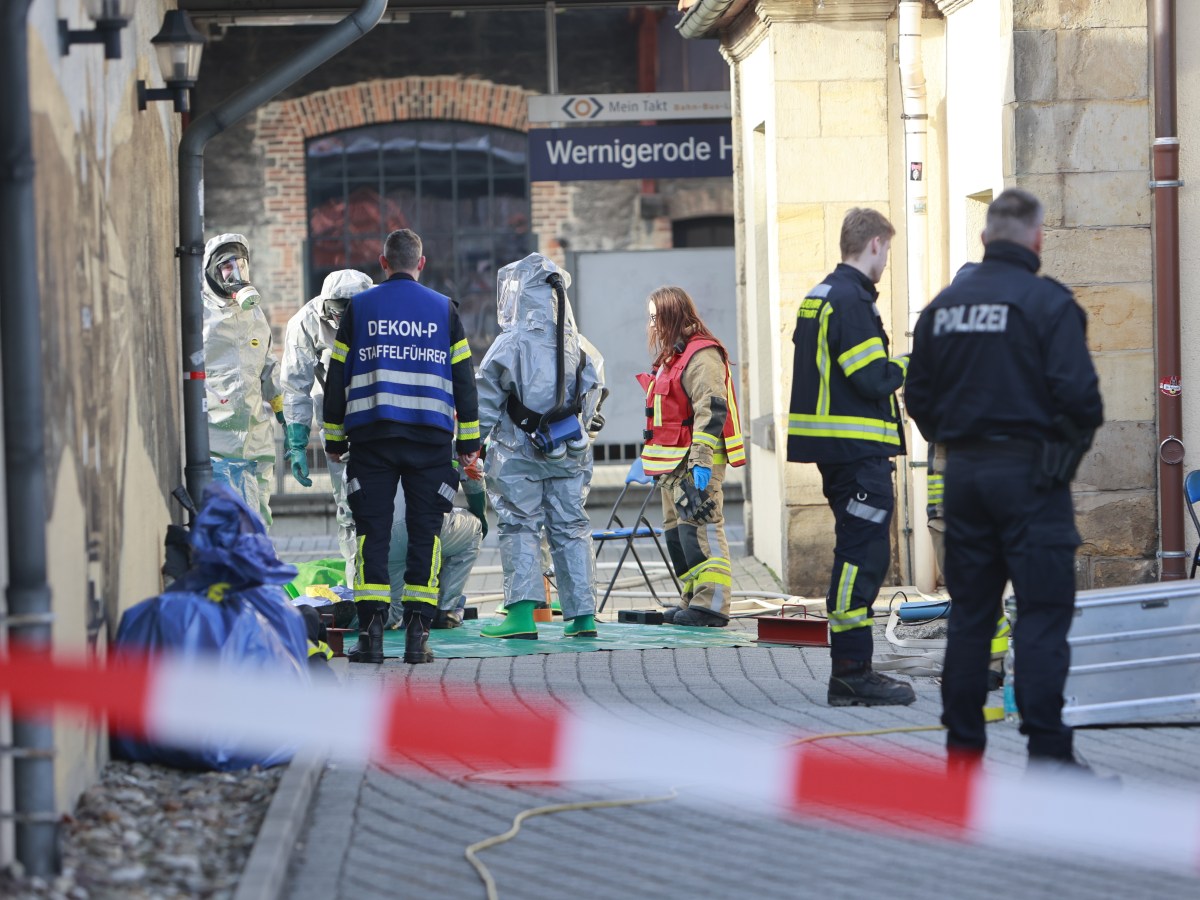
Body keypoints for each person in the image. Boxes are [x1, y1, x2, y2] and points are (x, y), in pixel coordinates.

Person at [905, 188, 1103, 769]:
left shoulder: (943, 309)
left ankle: (962, 760)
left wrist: (956, 439)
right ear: (1037, 239)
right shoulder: (1048, 304)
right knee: (1042, 615)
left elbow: (918, 396)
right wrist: (1057, 460)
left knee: (971, 616)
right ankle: (1048, 757)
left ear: (987, 237)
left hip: (963, 476)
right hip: (1032, 480)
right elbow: (1082, 401)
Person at [323, 229, 481, 665]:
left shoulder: (359, 308)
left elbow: (338, 376)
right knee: (425, 535)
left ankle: (371, 638)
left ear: (383, 262)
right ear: (422, 263)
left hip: (371, 437)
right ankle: (417, 637)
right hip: (430, 441)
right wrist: (469, 442)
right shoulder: (444, 310)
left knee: (371, 533)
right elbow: (465, 380)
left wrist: (333, 437)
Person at [786, 208, 915, 707]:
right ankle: (851, 671)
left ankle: (853, 668)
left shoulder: (820, 295)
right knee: (862, 558)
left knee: (859, 554)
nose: (887, 262)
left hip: (838, 452)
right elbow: (872, 378)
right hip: (857, 453)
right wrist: (912, 358)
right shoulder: (852, 300)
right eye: (889, 251)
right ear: (877, 244)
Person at [476, 253, 603, 640]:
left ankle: (521, 616)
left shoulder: (508, 344)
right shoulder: (580, 346)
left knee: (519, 527)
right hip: (569, 451)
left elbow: (483, 403)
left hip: (517, 453)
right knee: (571, 526)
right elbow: (593, 398)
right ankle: (582, 617)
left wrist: (466, 445)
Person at [638, 287, 745, 627]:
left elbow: (711, 407)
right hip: (674, 466)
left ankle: (712, 605)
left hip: (697, 462)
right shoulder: (674, 357)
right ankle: (693, 598)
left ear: (671, 316)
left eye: (656, 317)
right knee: (679, 534)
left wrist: (700, 460)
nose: (651, 324)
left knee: (702, 528)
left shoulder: (702, 356)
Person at [280, 269, 375, 589]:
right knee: (350, 507)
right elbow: (295, 385)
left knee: (394, 509)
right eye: (337, 313)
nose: (341, 322)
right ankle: (358, 588)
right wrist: (297, 440)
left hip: (384, 417)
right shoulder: (305, 323)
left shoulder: (382, 310)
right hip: (338, 425)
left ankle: (396, 592)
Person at [201, 233, 283, 525]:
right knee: (226, 521)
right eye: (227, 265)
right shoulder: (198, 313)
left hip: (254, 434)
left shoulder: (254, 315)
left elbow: (267, 364)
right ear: (211, 269)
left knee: (258, 513)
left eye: (240, 263)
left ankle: (255, 568)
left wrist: (284, 411)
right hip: (214, 436)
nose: (235, 271)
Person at [386, 457, 488, 630]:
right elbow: (473, 467)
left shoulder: (372, 436)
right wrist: (481, 518)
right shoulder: (437, 433)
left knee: (393, 610)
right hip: (423, 524)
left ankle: (338, 619)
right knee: (474, 529)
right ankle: (445, 610)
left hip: (382, 531)